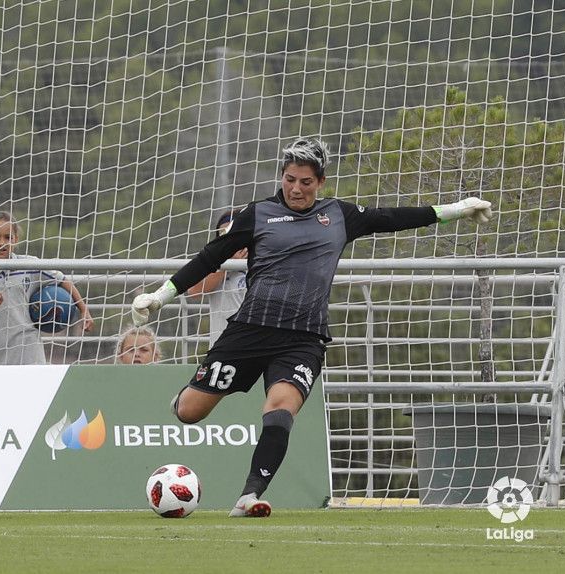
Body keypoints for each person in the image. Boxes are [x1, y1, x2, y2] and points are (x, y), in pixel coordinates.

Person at [130, 138, 492, 517]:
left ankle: (250, 495)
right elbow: (210, 256)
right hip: (250, 330)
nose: (296, 188)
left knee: (281, 409)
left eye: (305, 182)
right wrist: (161, 296)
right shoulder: (259, 213)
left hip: (304, 338)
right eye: (290, 179)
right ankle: (184, 397)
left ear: (320, 182)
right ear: (282, 177)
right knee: (190, 412)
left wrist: (458, 209)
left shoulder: (339, 215)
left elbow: (394, 218)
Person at [0, 211, 93, 365]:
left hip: (29, 354)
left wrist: (83, 309)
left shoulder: (29, 265)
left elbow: (61, 280)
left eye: (8, 237)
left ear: (16, 240)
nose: (2, 243)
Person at [185, 209, 248, 347]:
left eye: (233, 233)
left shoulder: (263, 260)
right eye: (223, 235)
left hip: (255, 345)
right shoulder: (215, 264)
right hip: (222, 346)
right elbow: (194, 291)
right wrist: (227, 265)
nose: (229, 240)